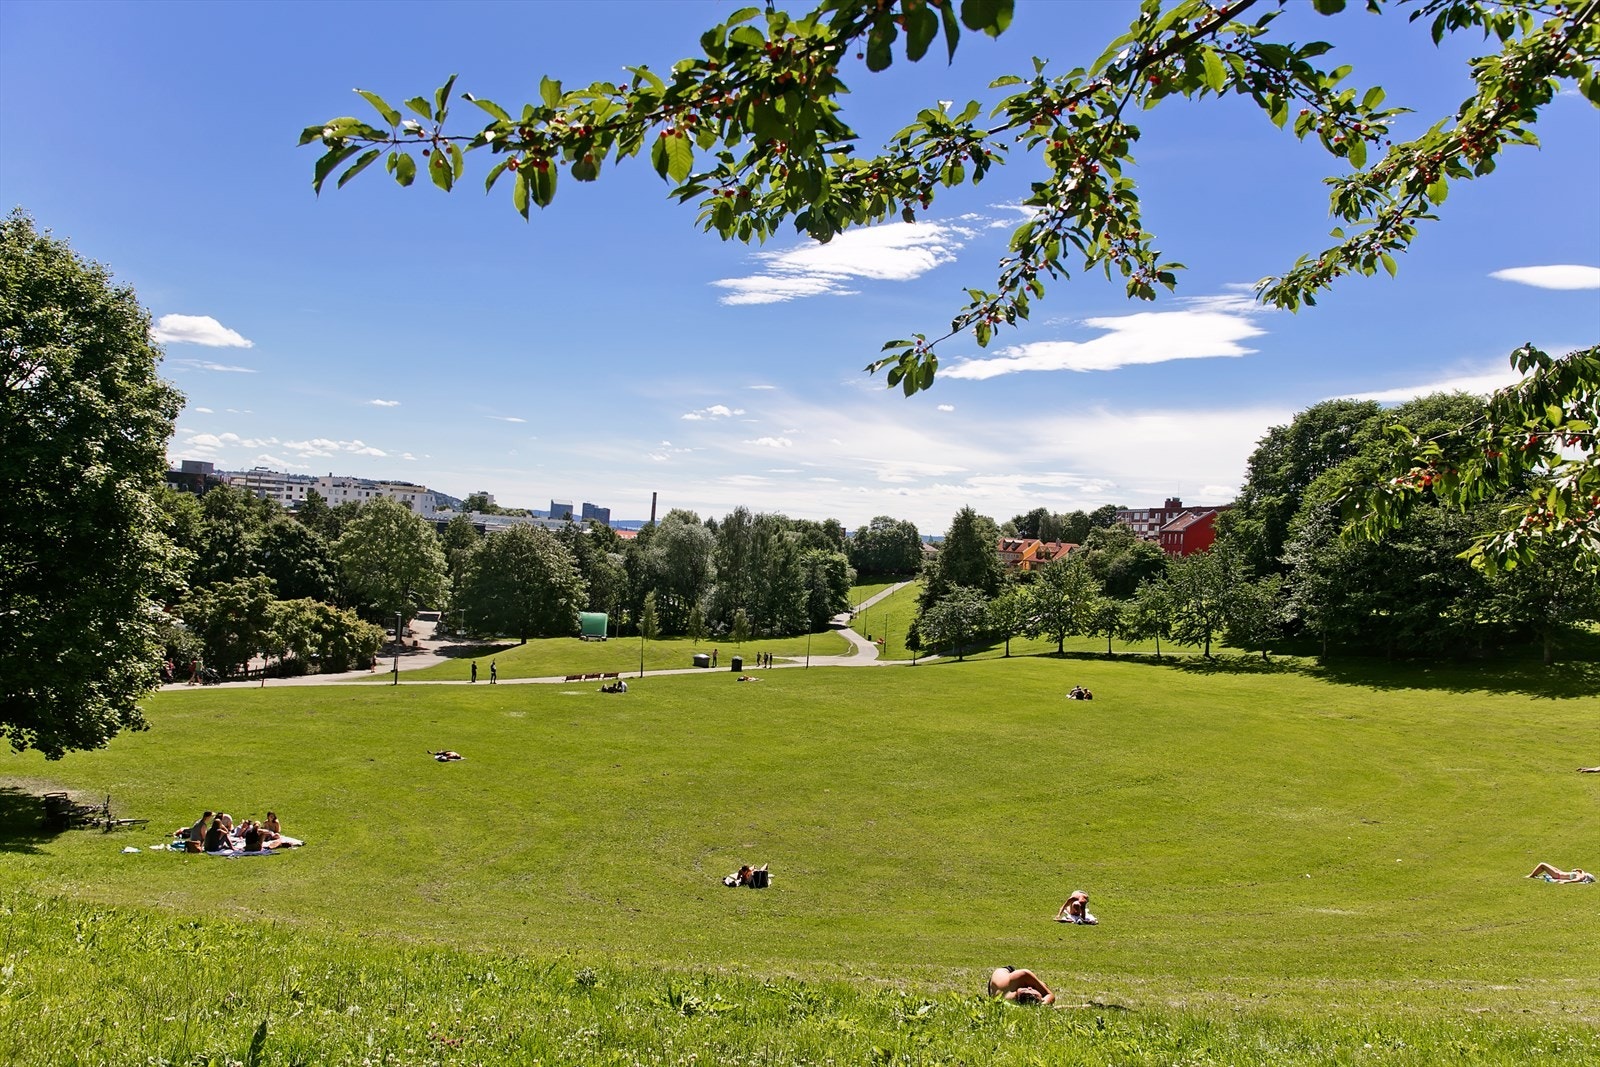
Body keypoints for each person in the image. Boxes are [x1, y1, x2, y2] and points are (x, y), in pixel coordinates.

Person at [987, 966, 1055, 1005]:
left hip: (1000, 978)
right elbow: (1050, 995)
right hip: (1005, 976)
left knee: (1042, 985)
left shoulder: (1021, 976)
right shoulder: (1023, 974)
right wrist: (1043, 1004)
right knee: (1043, 985)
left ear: (1028, 988)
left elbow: (1049, 995)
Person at [1527, 863, 1595, 883]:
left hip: (1557, 875)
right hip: (1559, 873)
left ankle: (1531, 876)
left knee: (1542, 865)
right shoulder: (1582, 874)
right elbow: (1581, 870)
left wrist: (1565, 882)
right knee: (1549, 866)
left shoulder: (1581, 876)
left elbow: (1577, 879)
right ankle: (1532, 875)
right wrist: (1577, 869)